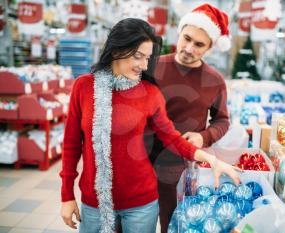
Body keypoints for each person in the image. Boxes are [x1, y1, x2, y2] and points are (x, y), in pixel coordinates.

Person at [59, 18, 240, 233]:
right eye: (138, 57)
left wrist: (210, 158)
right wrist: (67, 196)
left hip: (141, 202)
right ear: (117, 49)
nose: (144, 66)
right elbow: (71, 145)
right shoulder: (84, 87)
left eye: (147, 58)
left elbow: (172, 137)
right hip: (94, 201)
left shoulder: (150, 92)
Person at [145, 4, 232, 232]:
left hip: (179, 167)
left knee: (172, 224)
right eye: (187, 38)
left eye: (199, 44)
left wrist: (204, 137)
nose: (189, 48)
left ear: (210, 47)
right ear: (179, 33)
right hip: (139, 160)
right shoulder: (151, 66)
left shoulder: (214, 81)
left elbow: (223, 120)